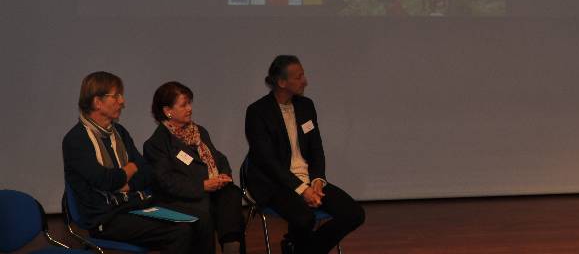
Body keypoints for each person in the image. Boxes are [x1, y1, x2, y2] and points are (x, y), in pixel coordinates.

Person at [244, 56, 365, 254]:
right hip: (274, 183)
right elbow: (268, 162)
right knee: (305, 218)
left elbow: (316, 149)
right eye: (299, 77)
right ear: (282, 82)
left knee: (354, 214)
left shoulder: (306, 106)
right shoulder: (257, 112)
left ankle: (299, 249)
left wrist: (317, 180)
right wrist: (303, 190)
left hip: (307, 179)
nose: (305, 81)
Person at [62, 71, 192, 253]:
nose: (122, 101)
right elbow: (105, 181)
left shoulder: (119, 133)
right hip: (105, 217)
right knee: (180, 230)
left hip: (133, 204)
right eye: (116, 96)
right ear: (97, 102)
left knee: (196, 218)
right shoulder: (76, 140)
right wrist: (130, 168)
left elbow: (147, 172)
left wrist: (128, 184)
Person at [144, 81, 246, 254]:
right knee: (205, 212)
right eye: (184, 105)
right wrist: (203, 186)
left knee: (231, 193)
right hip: (181, 200)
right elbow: (167, 182)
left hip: (210, 192)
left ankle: (231, 245)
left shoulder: (198, 132)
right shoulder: (157, 144)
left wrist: (222, 175)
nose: (190, 108)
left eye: (189, 103)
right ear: (168, 111)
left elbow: (219, 158)